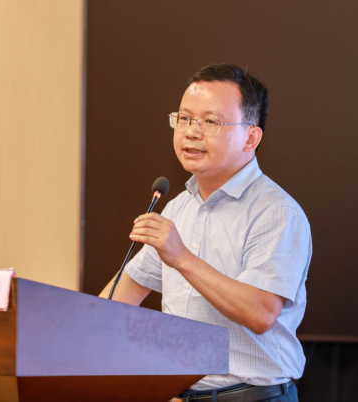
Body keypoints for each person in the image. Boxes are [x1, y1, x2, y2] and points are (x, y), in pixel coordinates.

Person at [99, 64, 312, 402]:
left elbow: (260, 313)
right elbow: (123, 295)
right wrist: (72, 330)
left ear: (251, 137)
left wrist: (182, 258)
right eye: (184, 118)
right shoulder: (177, 208)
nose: (191, 132)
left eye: (210, 122)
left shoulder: (276, 212)